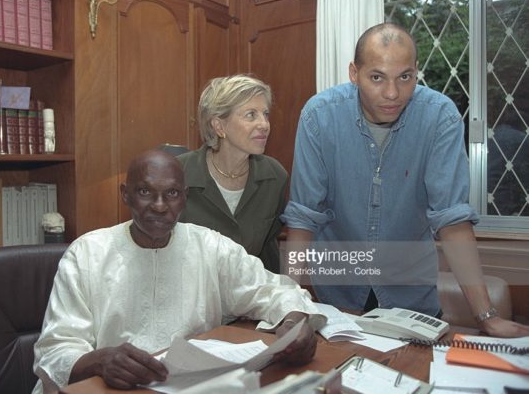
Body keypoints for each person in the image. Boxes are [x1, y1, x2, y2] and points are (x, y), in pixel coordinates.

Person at [281, 22, 529, 337]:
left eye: (405, 77)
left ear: (416, 72)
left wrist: (486, 317)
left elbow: (452, 221)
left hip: (413, 301)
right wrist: (288, 305)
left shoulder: (441, 117)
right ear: (354, 73)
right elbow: (303, 217)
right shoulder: (319, 116)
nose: (392, 93)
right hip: (338, 299)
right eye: (376, 77)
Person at [32, 150, 325, 393]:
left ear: (184, 198)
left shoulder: (209, 246)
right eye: (145, 192)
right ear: (126, 194)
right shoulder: (87, 253)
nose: (160, 206)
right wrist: (98, 361)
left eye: (171, 193)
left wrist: (295, 323)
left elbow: (273, 290)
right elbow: (55, 351)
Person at [177, 75, 287, 273]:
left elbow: (269, 250)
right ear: (219, 126)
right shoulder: (179, 174)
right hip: (192, 293)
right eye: (251, 115)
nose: (264, 124)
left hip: (249, 295)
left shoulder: (275, 177)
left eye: (266, 114)